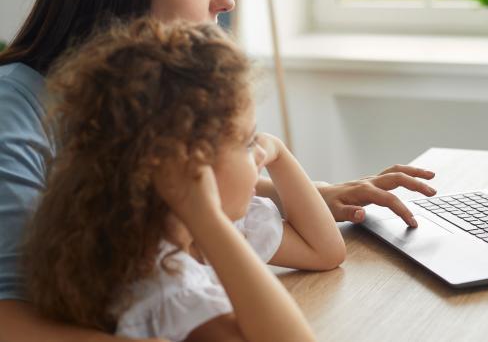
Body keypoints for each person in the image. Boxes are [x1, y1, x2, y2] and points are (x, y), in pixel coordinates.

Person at [0, 0, 435, 341]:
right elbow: (10, 316)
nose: (227, 0)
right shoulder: (13, 115)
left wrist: (296, 191)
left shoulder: (158, 170)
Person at [24, 17, 336, 342]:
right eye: (247, 142)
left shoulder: (209, 235)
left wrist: (280, 153)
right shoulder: (165, 288)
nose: (260, 153)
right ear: (188, 168)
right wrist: (209, 220)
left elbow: (325, 252)